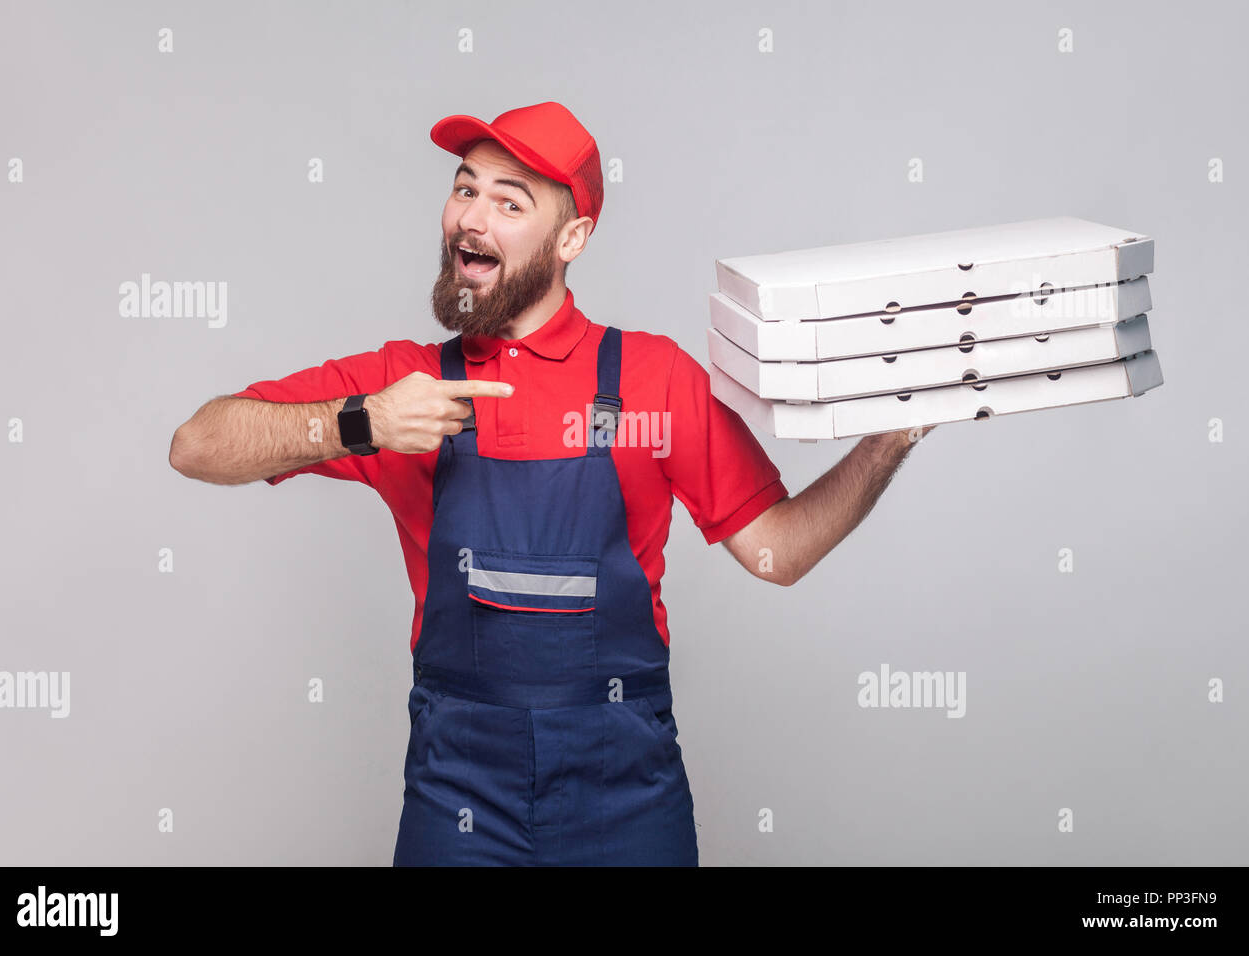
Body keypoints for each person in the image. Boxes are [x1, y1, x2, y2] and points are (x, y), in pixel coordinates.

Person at [169, 101, 933, 866]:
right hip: (458, 795)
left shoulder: (653, 379)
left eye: (510, 202)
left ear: (572, 238)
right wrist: (363, 420)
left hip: (625, 794)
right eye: (466, 189)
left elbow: (780, 552)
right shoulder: (404, 384)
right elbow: (197, 444)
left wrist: (894, 433)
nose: (473, 218)